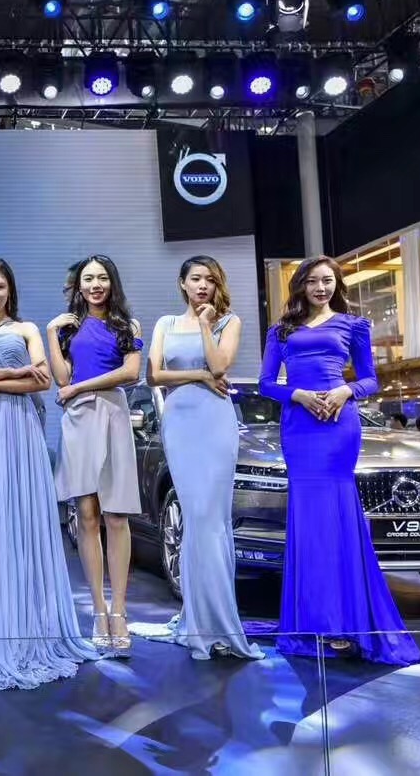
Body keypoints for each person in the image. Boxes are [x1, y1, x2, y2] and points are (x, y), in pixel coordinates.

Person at [258, 255, 420, 666]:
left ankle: (345, 622)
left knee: (338, 517)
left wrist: (346, 391)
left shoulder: (354, 325)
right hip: (300, 428)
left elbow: (370, 380)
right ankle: (314, 621)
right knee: (309, 522)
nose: (321, 288)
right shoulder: (281, 330)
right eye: (313, 281)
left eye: (327, 280)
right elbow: (265, 384)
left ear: (337, 284)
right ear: (301, 285)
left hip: (338, 427)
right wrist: (297, 395)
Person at [0, 257, 97, 689]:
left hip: (20, 428)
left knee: (23, 518)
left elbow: (43, 381)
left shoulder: (28, 329)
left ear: (9, 289)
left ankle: (33, 628)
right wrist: (13, 371)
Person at [131, 256, 262, 661]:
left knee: (212, 519)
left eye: (210, 280)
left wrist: (206, 326)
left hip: (216, 424)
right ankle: (197, 619)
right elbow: (153, 375)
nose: (202, 285)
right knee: (194, 518)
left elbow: (221, 364)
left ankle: (220, 621)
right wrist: (201, 376)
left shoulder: (229, 322)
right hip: (180, 423)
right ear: (182, 283)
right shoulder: (166, 324)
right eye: (195, 278)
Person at [47, 255, 143, 657]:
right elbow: (61, 378)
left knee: (116, 515)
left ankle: (119, 612)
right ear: (79, 285)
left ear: (112, 282)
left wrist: (80, 388)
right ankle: (98, 611)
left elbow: (130, 373)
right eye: (88, 279)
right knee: (86, 515)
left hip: (113, 413)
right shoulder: (67, 328)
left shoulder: (127, 325)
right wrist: (50, 332)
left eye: (102, 278)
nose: (95, 285)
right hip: (78, 420)